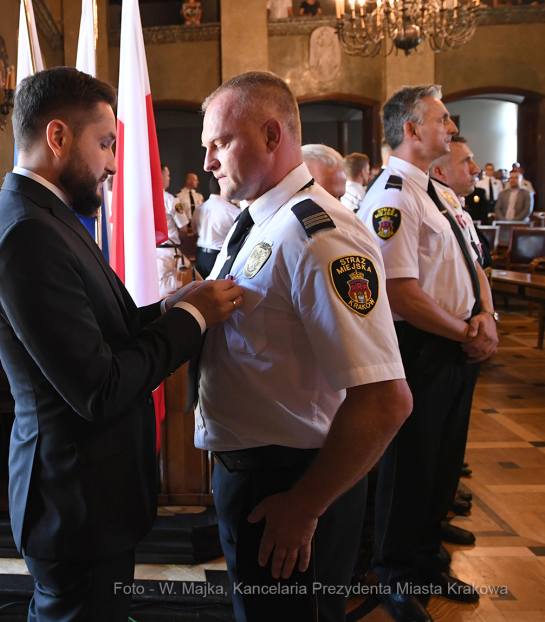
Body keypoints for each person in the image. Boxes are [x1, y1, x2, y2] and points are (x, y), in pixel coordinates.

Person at [0, 67, 243, 621]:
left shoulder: (48, 214)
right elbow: (99, 387)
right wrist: (192, 318)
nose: (114, 163)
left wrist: (165, 309)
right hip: (73, 500)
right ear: (57, 137)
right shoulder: (27, 233)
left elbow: (97, 331)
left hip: (92, 494)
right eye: (105, 144)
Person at [194, 72, 412, 622]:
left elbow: (386, 400)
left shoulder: (320, 235)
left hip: (294, 483)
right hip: (252, 476)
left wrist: (305, 506)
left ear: (272, 135)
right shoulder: (257, 220)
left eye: (221, 143)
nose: (209, 162)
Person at [358, 85, 498, 622]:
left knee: (442, 463)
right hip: (421, 346)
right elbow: (399, 292)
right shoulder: (394, 195)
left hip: (455, 342)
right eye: (442, 120)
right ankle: (395, 574)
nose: (452, 128)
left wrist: (485, 316)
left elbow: (471, 262)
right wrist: (465, 331)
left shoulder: (436, 192)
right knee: (411, 465)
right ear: (412, 130)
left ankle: (425, 560)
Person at [430, 136, 491, 269]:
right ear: (440, 172)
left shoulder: (462, 213)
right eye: (465, 161)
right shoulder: (432, 214)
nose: (476, 169)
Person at [192, 174, 239, 278]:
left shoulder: (199, 209)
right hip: (219, 256)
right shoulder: (232, 210)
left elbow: (195, 234)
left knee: (201, 286)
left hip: (201, 256)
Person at [158, 165, 191, 297]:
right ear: (161, 178)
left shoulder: (142, 198)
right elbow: (183, 229)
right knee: (171, 296)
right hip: (168, 254)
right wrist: (179, 242)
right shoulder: (170, 199)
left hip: (147, 255)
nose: (169, 179)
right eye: (168, 175)